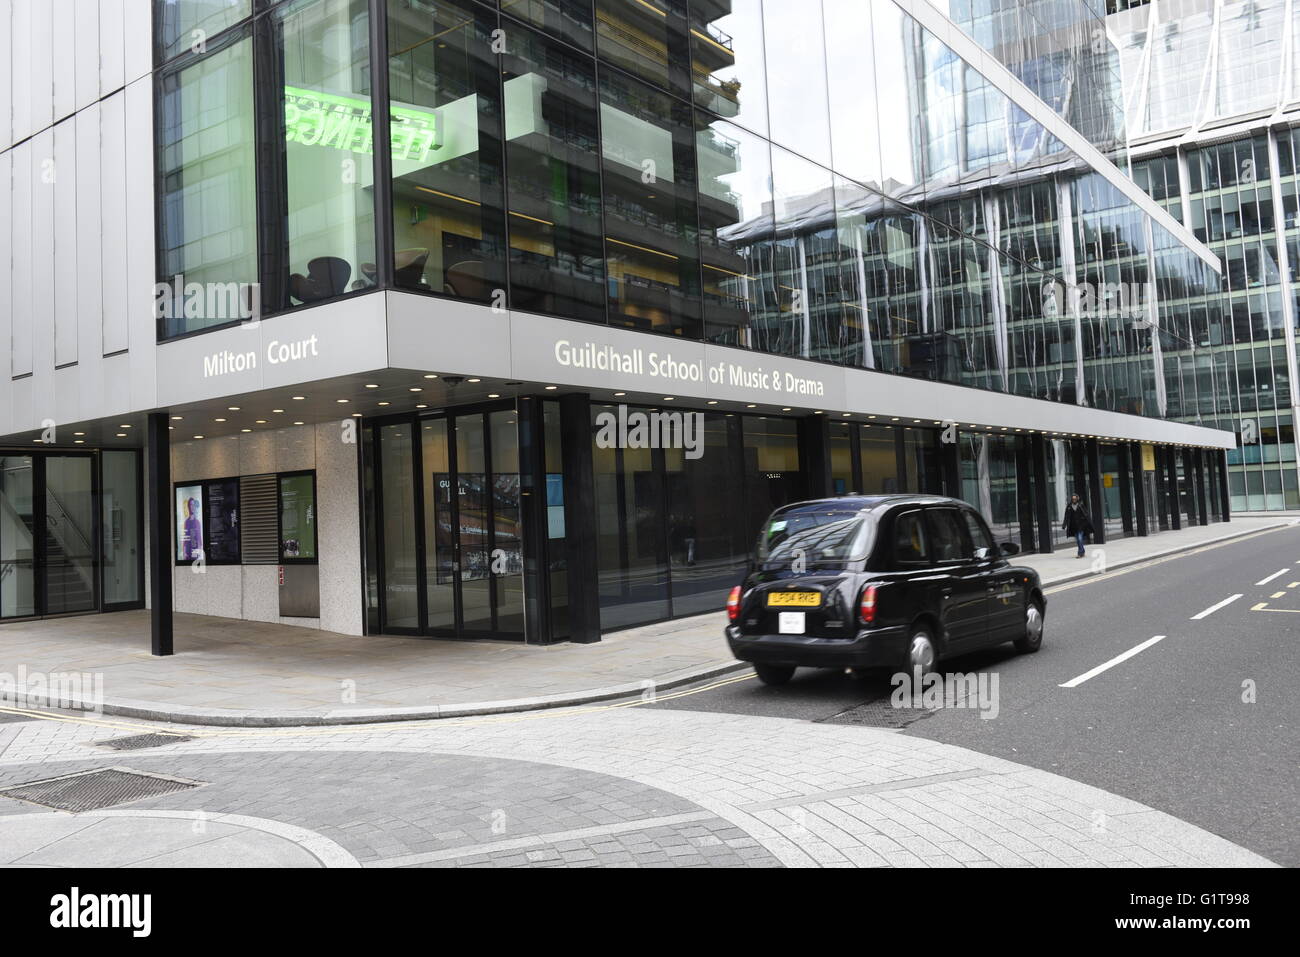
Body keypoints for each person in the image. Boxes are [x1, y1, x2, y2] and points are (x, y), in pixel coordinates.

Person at [1062, 493, 1094, 558]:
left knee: (1079, 539)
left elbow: (1086, 514)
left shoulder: (1080, 505)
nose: (1074, 500)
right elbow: (1066, 516)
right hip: (1074, 527)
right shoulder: (1069, 507)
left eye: (1075, 499)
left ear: (1077, 499)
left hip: (1081, 526)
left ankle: (1079, 553)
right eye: (1073, 499)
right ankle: (1083, 551)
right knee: (1078, 540)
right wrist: (1064, 524)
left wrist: (1087, 522)